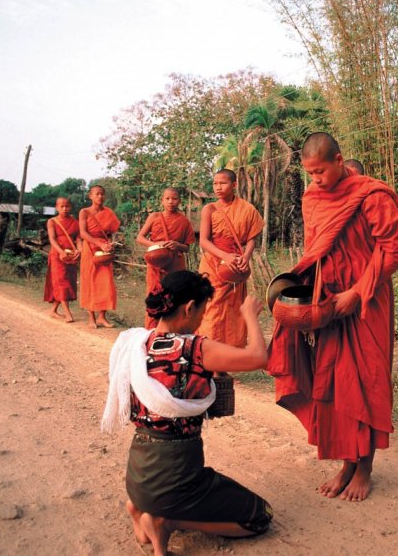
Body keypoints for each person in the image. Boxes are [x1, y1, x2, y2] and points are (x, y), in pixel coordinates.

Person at [267, 132, 398, 502]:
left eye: (320, 172)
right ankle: (346, 462)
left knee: (367, 380)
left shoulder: (372, 195)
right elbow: (318, 249)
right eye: (310, 173)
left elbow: (394, 249)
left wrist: (358, 292)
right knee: (333, 380)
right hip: (329, 301)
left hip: (367, 300)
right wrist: (301, 295)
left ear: (339, 160)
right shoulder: (313, 197)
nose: (316, 180)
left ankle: (365, 468)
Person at [101, 271, 272, 556]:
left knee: (162, 494)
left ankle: (142, 508)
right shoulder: (195, 348)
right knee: (259, 516)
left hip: (139, 475)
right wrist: (249, 314)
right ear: (190, 307)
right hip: (177, 478)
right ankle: (166, 521)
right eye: (202, 313)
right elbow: (258, 357)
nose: (200, 321)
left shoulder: (136, 345)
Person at [197, 169, 264, 348]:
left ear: (234, 185)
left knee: (232, 312)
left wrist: (246, 258)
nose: (218, 187)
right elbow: (204, 241)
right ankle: (209, 357)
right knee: (212, 309)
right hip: (212, 264)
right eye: (215, 183)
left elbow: (251, 239)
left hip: (236, 265)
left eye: (223, 183)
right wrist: (224, 256)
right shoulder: (209, 209)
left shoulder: (247, 209)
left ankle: (224, 364)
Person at [136, 187, 197, 329]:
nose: (171, 202)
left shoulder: (184, 221)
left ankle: (170, 331)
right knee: (155, 297)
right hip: (156, 263)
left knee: (174, 298)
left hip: (175, 265)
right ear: (162, 201)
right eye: (167, 199)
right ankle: (151, 332)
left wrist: (177, 245)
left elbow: (187, 248)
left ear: (179, 201)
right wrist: (156, 245)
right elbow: (140, 238)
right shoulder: (154, 217)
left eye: (174, 199)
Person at [79, 184, 121, 329]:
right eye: (96, 194)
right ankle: (91, 318)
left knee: (106, 283)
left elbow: (114, 231)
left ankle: (102, 317)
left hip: (105, 249)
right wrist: (99, 243)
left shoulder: (109, 213)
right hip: (90, 247)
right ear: (90, 196)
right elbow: (83, 233)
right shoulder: (84, 212)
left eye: (102, 194)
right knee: (90, 281)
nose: (100, 196)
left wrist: (112, 243)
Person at [43, 197, 79, 323]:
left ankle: (53, 310)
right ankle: (68, 313)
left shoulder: (75, 222)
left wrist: (79, 250)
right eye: (61, 206)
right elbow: (52, 239)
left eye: (67, 206)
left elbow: (78, 239)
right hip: (57, 255)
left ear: (71, 207)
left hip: (71, 256)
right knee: (62, 282)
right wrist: (61, 252)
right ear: (56, 207)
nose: (64, 209)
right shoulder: (52, 221)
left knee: (68, 283)